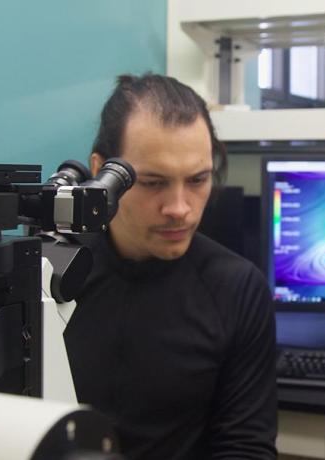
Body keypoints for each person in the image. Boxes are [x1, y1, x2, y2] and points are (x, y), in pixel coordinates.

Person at [63, 73, 277, 460]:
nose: (179, 208)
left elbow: (245, 448)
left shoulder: (237, 288)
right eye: (152, 183)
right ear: (102, 172)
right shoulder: (50, 275)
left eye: (198, 179)